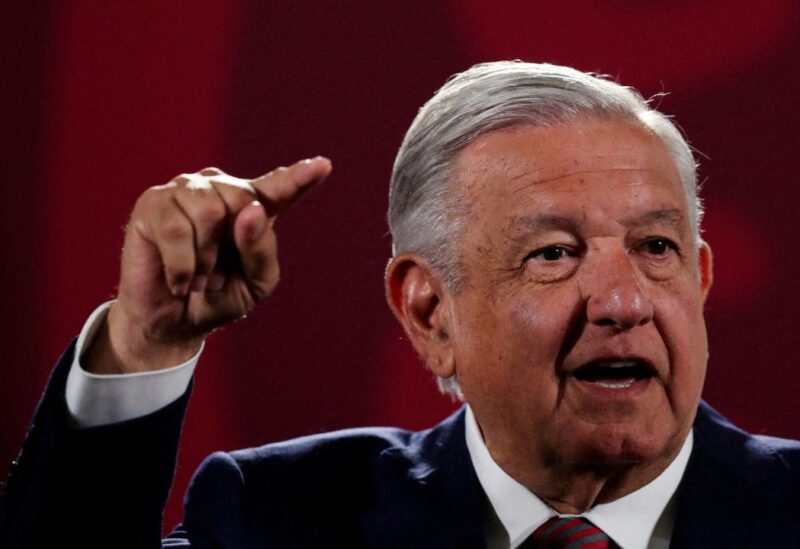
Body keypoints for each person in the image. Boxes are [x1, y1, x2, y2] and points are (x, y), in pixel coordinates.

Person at [1, 61, 799, 548]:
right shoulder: (281, 519)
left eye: (655, 248)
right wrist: (144, 346)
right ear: (429, 312)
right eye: (553, 253)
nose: (623, 300)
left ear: (698, 278)